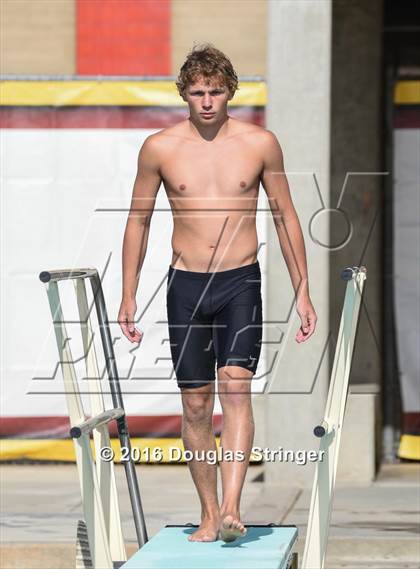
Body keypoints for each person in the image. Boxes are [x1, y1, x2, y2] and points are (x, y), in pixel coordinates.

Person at [118, 44, 317, 543]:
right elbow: (138, 219)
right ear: (184, 93)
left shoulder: (260, 143)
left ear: (231, 92)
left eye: (216, 91)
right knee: (195, 406)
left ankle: (232, 506)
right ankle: (209, 512)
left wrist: (304, 291)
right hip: (185, 285)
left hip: (239, 281)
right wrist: (127, 293)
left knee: (236, 386)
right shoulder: (159, 147)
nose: (207, 101)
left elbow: (285, 214)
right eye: (198, 92)